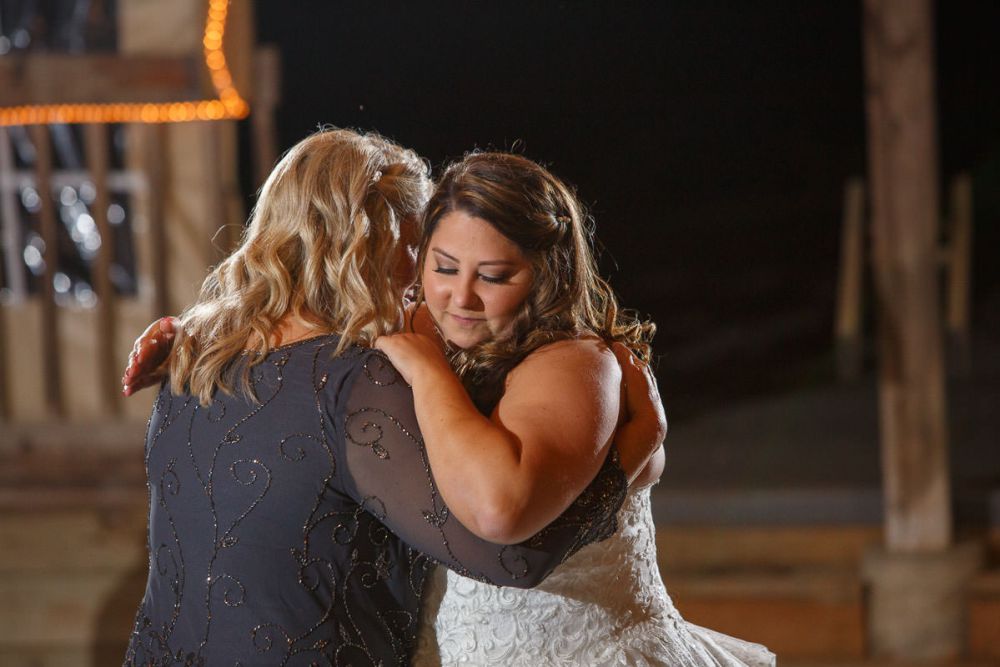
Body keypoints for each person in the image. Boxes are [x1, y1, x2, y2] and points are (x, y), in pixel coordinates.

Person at [121, 128, 658, 666]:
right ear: (373, 244)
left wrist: (186, 325)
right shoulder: (360, 379)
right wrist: (636, 448)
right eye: (425, 253)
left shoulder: (197, 356)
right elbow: (508, 559)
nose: (427, 282)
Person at [370, 152, 777, 666]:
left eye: (493, 277)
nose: (460, 297)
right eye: (444, 267)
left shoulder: (571, 363)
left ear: (546, 275)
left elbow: (500, 510)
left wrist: (429, 375)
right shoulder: (443, 334)